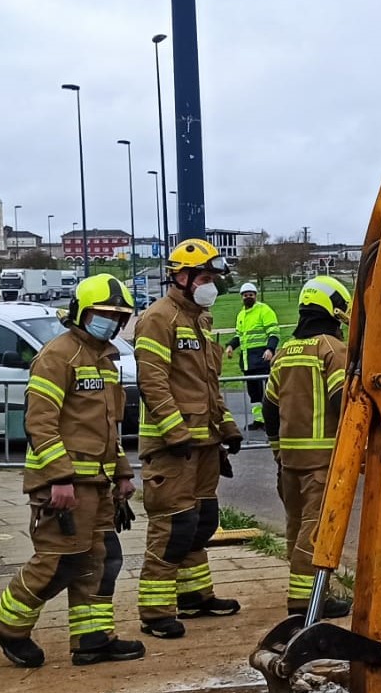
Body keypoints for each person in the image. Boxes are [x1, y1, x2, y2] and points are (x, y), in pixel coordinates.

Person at [0, 274, 147, 667]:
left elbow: (109, 426)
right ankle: (7, 625)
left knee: (102, 559)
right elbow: (40, 422)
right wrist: (59, 477)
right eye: (103, 313)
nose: (110, 321)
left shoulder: (106, 360)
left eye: (118, 315)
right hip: (65, 487)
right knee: (61, 561)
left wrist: (123, 472)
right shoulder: (58, 356)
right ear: (81, 312)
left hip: (99, 485)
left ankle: (93, 639)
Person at [132, 239, 243, 638]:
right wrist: (175, 433)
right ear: (181, 277)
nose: (211, 285)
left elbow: (208, 384)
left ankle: (195, 597)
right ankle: (156, 611)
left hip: (204, 444)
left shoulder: (202, 320)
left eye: (213, 278)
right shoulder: (158, 319)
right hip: (172, 447)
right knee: (173, 528)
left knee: (202, 523)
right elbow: (153, 382)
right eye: (205, 277)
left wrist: (226, 428)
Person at [263, 275, 353, 617]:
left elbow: (270, 408)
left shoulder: (285, 350)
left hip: (289, 460)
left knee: (297, 526)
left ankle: (311, 593)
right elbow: (341, 400)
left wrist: (277, 451)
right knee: (315, 532)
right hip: (323, 460)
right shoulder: (332, 349)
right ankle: (308, 602)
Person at [225, 282, 280, 429]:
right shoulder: (241, 315)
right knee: (254, 395)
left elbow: (274, 333)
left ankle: (271, 420)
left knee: (265, 393)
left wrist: (270, 349)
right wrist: (230, 346)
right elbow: (239, 336)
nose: (247, 297)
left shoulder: (264, 310)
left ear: (255, 295)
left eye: (250, 295)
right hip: (247, 362)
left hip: (262, 360)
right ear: (241, 297)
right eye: (245, 295)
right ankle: (259, 420)